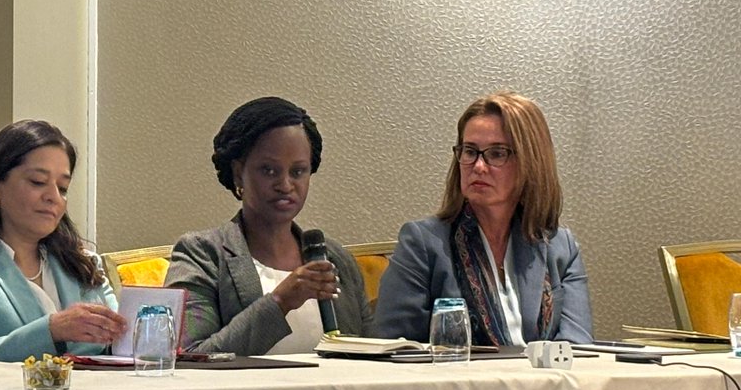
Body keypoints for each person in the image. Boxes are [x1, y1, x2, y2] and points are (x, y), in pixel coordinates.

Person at [375, 91, 592, 345]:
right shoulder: (422, 242)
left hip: (543, 383)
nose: (478, 166)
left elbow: (577, 347)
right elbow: (394, 347)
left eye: (497, 153)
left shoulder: (561, 247)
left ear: (531, 161)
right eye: (470, 151)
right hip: (456, 382)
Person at [164, 97, 373, 355]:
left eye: (298, 172)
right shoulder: (202, 253)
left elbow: (368, 355)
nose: (285, 185)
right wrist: (280, 301)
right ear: (239, 172)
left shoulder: (335, 258)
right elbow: (192, 356)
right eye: (269, 171)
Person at [0, 120, 126, 363]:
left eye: (62, 188)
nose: (53, 197)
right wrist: (51, 331)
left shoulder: (84, 265)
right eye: (38, 182)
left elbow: (120, 349)